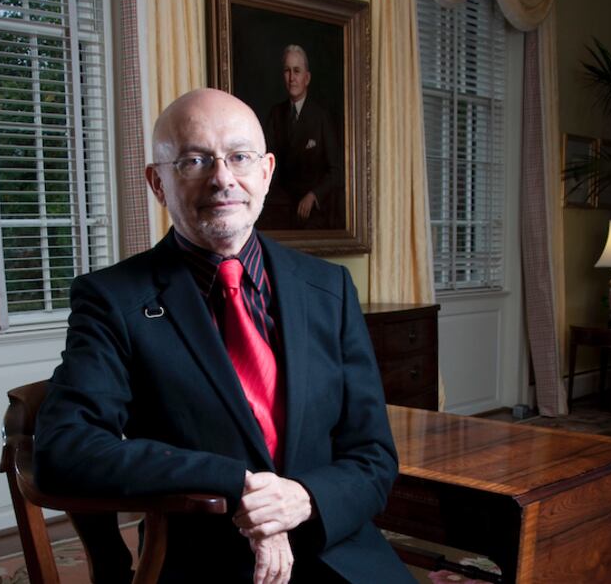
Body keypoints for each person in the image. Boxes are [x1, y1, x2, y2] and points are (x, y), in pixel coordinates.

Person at [33, 88, 414, 584]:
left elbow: (374, 459)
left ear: (267, 171)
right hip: (204, 563)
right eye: (194, 160)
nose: (222, 179)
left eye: (239, 157)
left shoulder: (329, 289)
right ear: (157, 181)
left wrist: (301, 500)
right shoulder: (112, 300)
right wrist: (238, 484)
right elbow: (64, 450)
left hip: (335, 549)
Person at [263, 45, 342, 229]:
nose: (292, 78)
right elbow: (266, 162)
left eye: (297, 71)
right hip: (281, 208)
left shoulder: (322, 117)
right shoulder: (276, 114)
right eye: (287, 71)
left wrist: (314, 195)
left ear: (307, 78)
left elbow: (336, 171)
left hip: (313, 213)